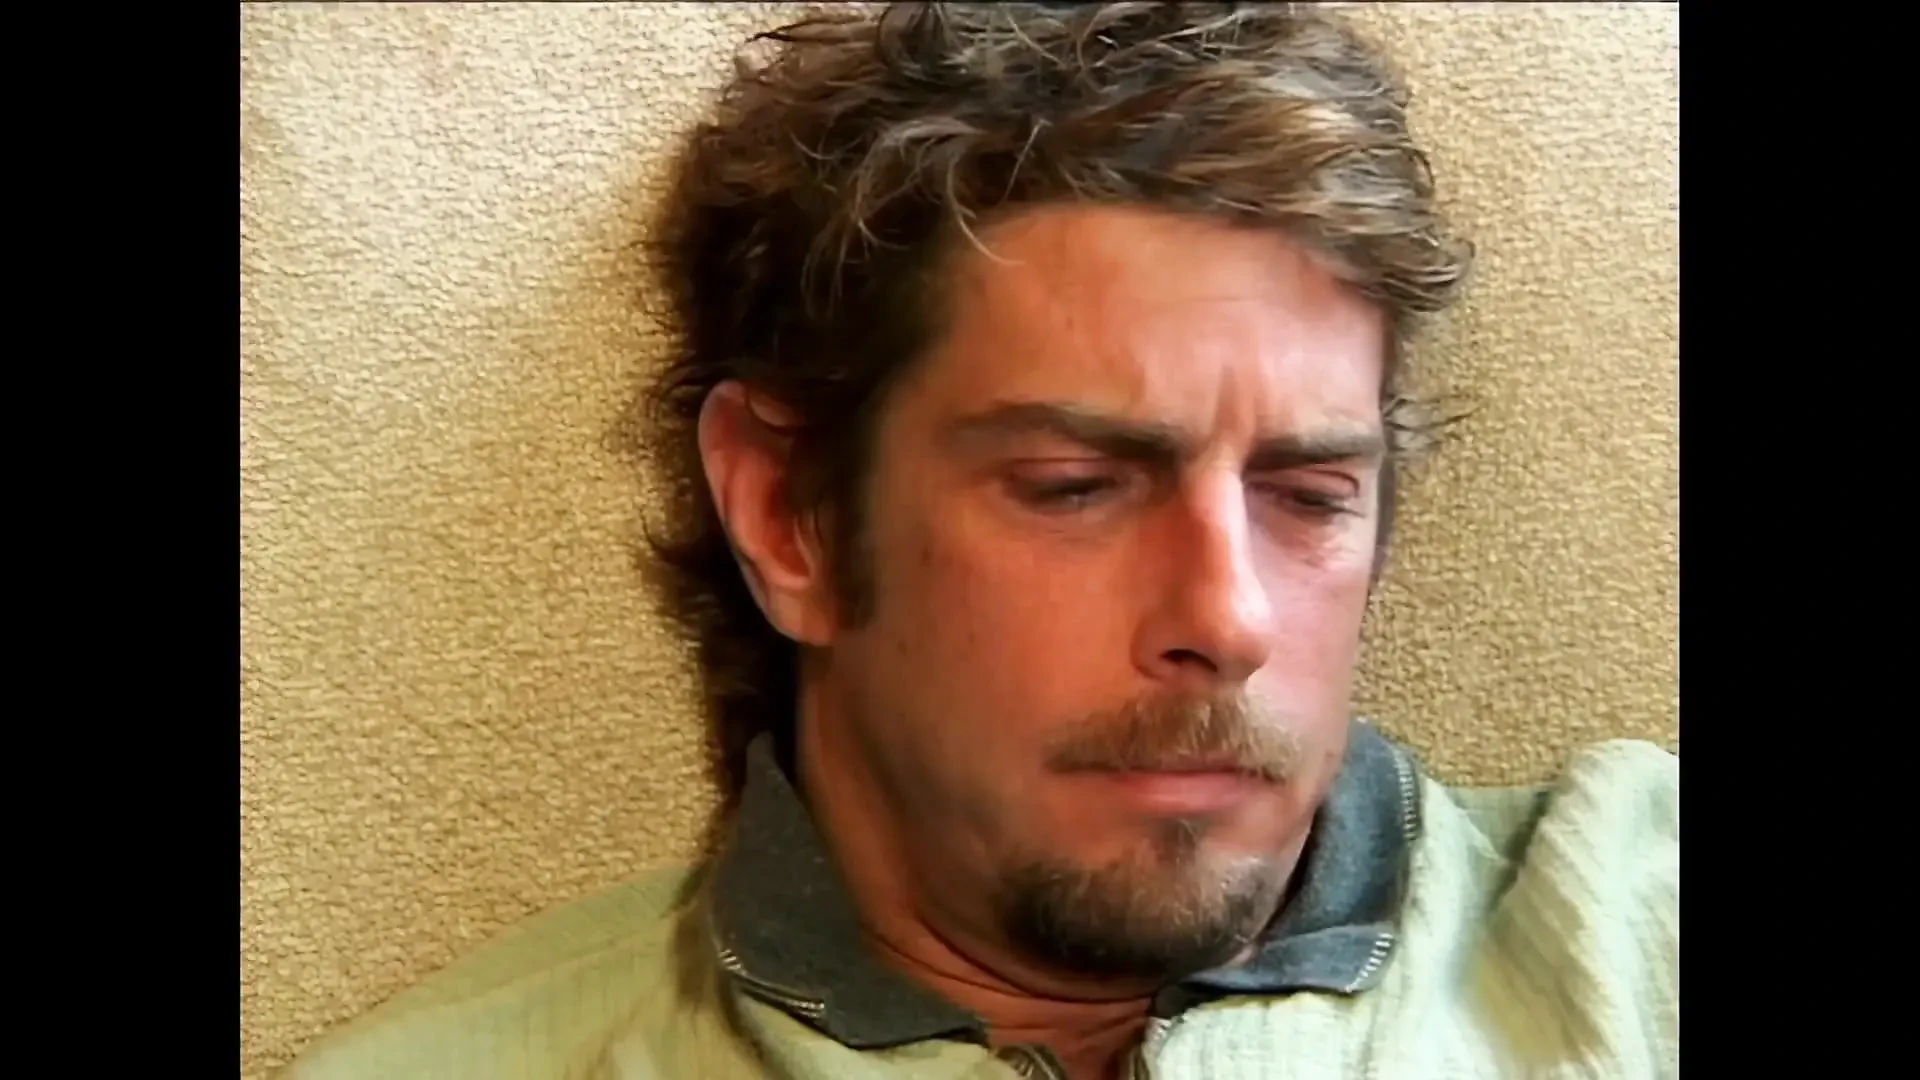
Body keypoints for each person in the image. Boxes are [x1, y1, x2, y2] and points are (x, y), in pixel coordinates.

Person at [280, 4, 1678, 1078]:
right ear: (789, 512)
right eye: (1076, 486)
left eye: (1309, 495)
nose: (1230, 619)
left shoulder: (1630, 935)